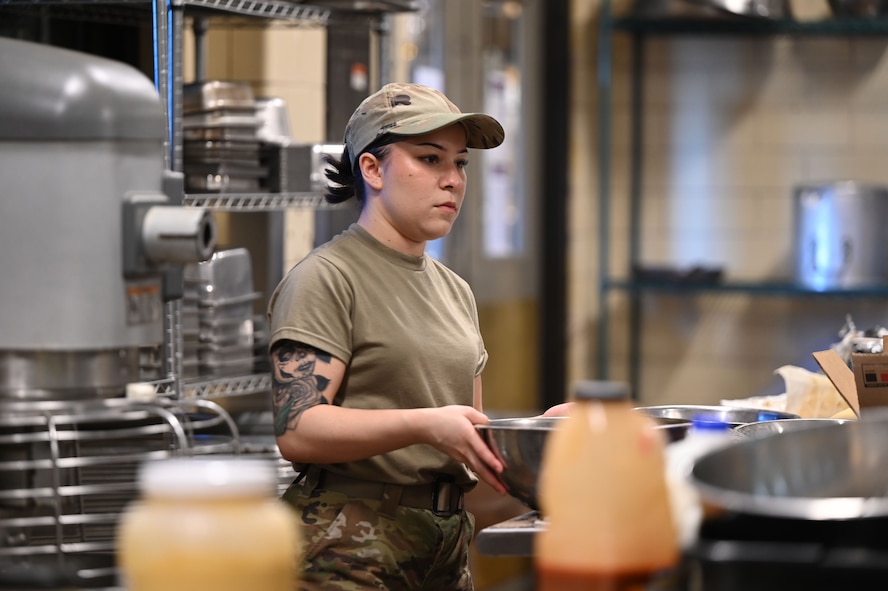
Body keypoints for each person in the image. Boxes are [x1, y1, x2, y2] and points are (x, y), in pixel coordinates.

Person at [267, 82, 509, 591]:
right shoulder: (327, 277)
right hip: (349, 541)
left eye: (460, 163)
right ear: (372, 169)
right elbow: (298, 429)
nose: (453, 180)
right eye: (430, 158)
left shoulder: (455, 290)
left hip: (444, 541)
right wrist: (425, 425)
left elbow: (465, 431)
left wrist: (539, 435)